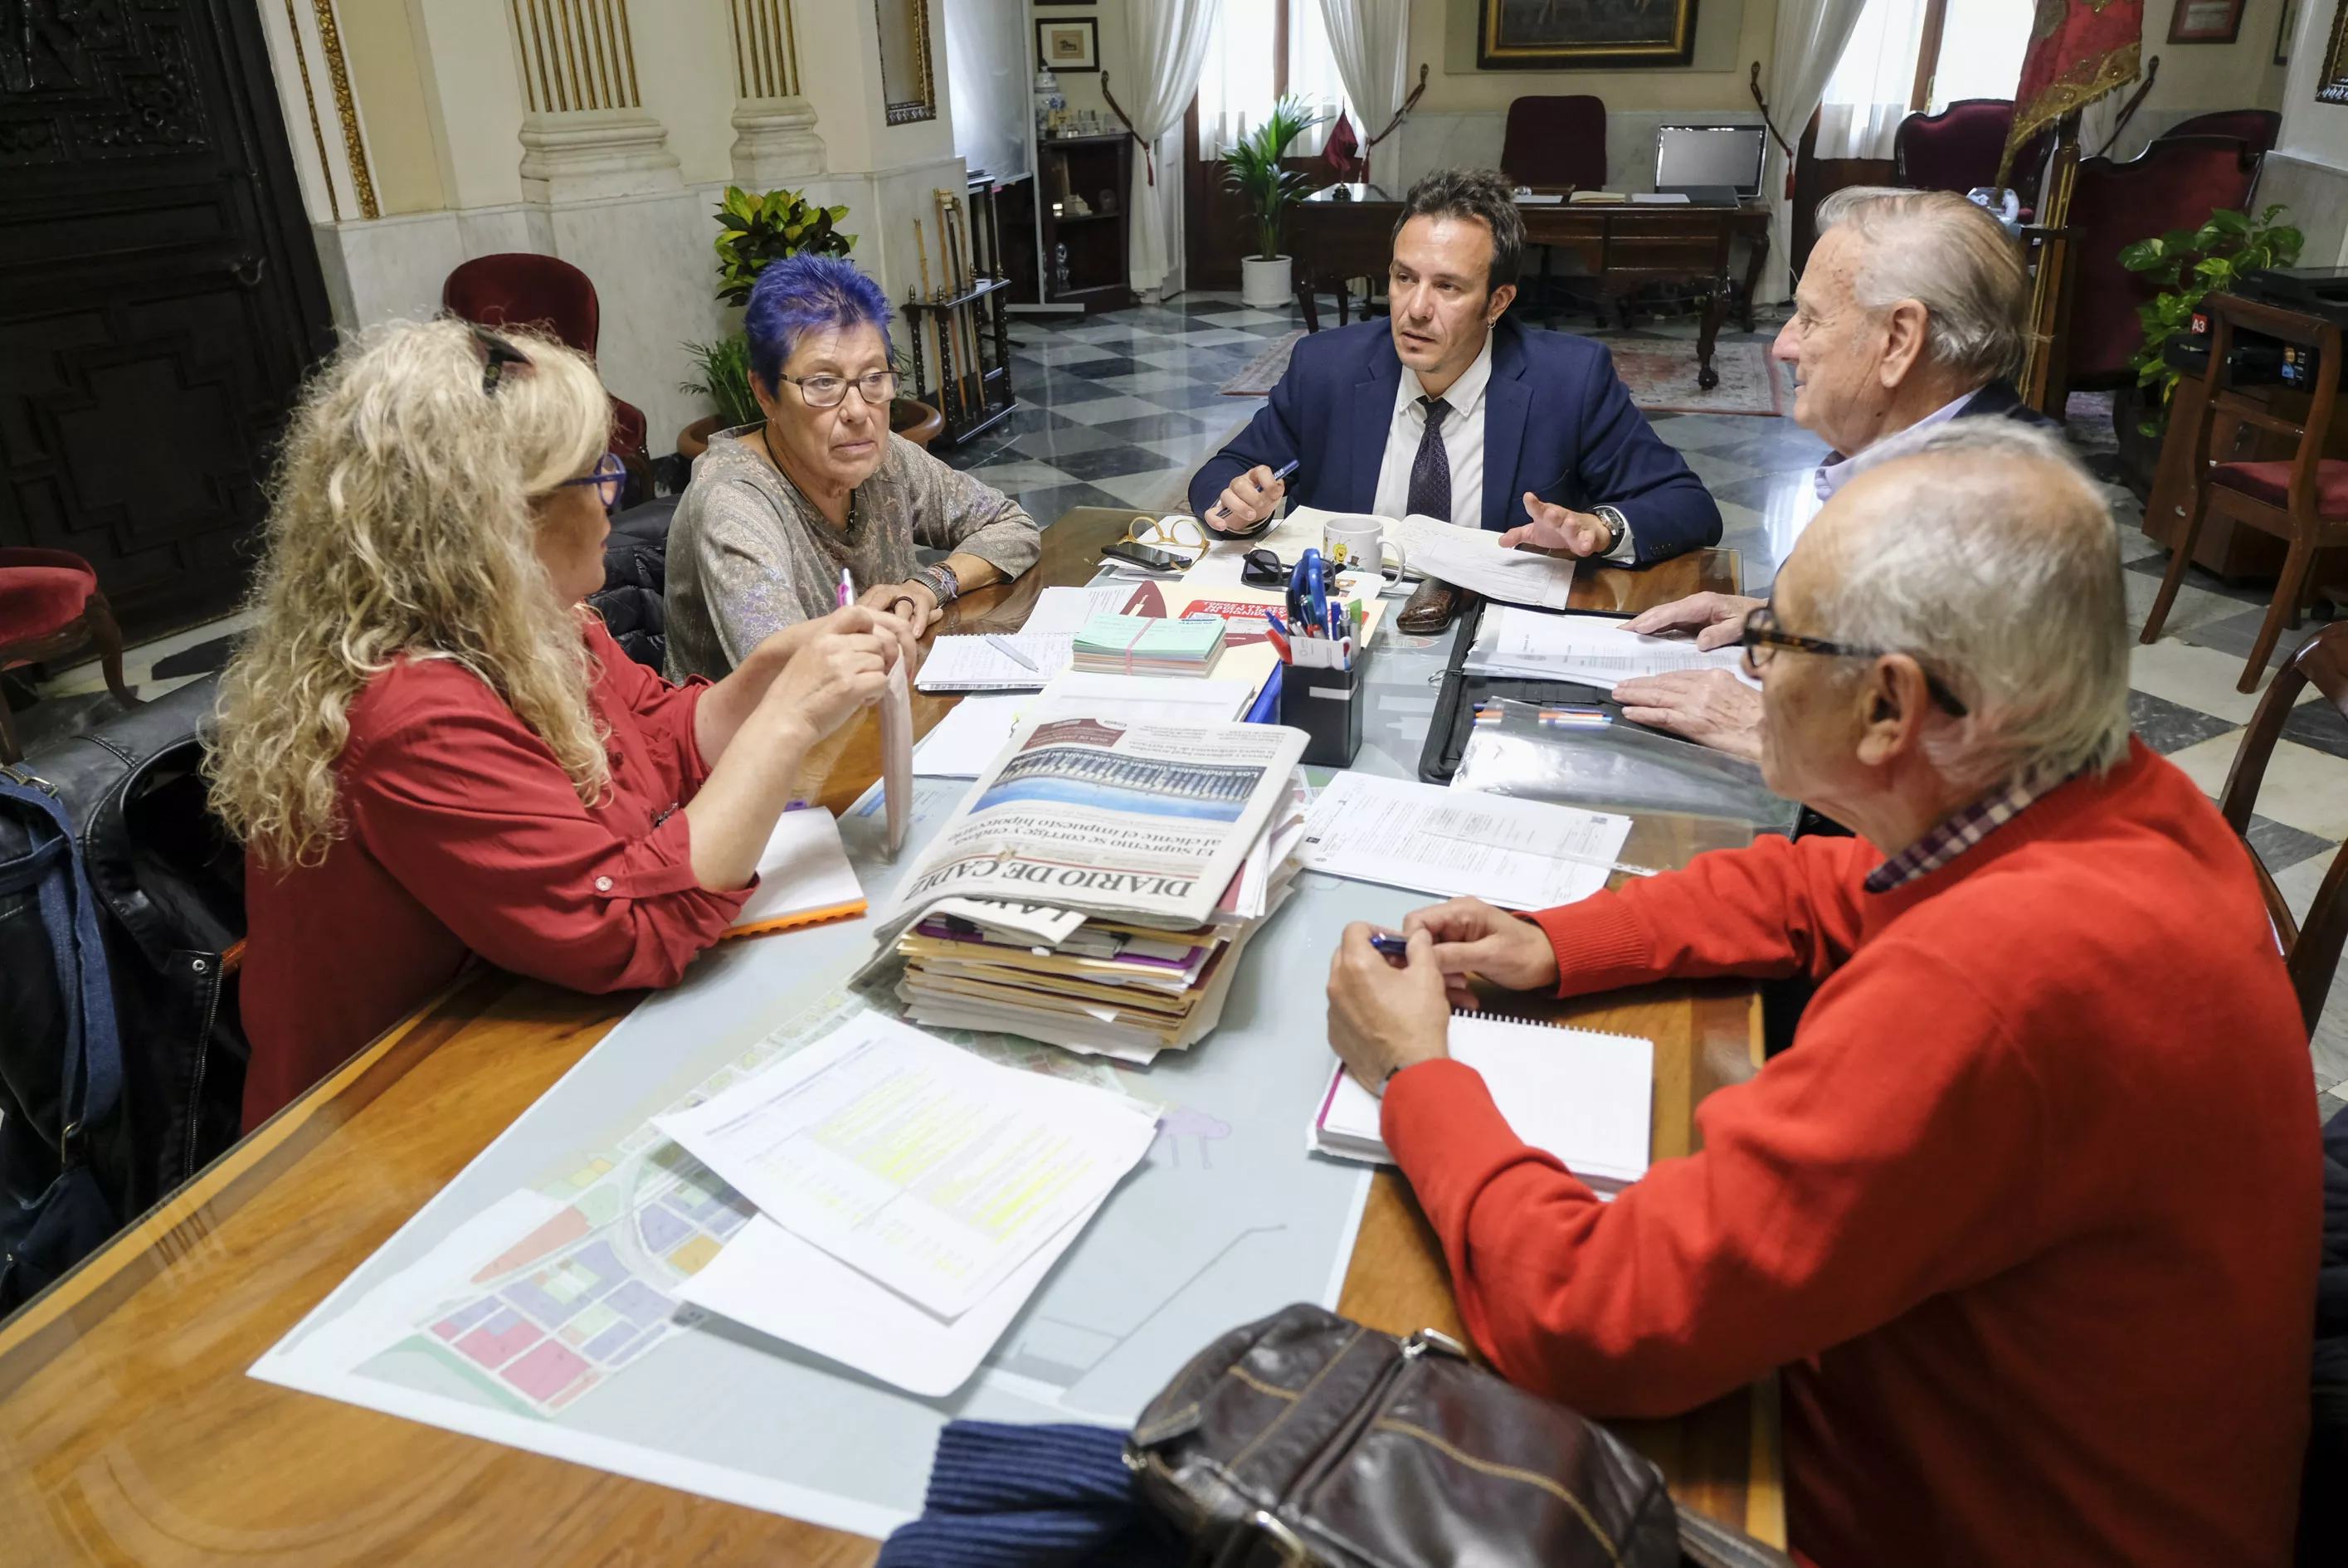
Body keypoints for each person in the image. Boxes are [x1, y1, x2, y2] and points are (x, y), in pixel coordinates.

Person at [1321, 421, 2318, 1568]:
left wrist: (1415, 1074)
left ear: (1890, 710)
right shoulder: (2108, 801)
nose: (1748, 660)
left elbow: (1598, 1316)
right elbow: (1820, 883)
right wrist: (1553, 941)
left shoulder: (1992, 981)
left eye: (1773, 637)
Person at [209, 319, 913, 1130]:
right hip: (389, 1125)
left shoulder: (535, 621)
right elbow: (631, 930)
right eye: (595, 473)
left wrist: (766, 679)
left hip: (529, 1032)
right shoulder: (412, 712)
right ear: (500, 521)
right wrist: (785, 723)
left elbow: (667, 741)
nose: (618, 491)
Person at [1614, 187, 2056, 761]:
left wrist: (1781, 733)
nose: (1783, 345)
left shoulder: (2004, 512)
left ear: (1898, 340)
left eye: (1812, 318)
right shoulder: (1933, 451)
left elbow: (1989, 768)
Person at [1186, 167, 1719, 625]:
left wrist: (1601, 528)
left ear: (1497, 302)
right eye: (1403, 278)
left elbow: (1688, 506)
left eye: (1448, 287)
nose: (1415, 309)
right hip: (1344, 623)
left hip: (1496, 630)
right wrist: (1244, 508)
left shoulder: (1569, 381)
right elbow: (1225, 473)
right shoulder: (1326, 367)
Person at [665, 253, 1040, 680]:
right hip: (761, 740)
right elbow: (788, 678)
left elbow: (1011, 525)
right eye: (823, 383)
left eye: (874, 377)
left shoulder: (884, 458)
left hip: (881, 706)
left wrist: (930, 584)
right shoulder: (733, 499)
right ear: (765, 394)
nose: (858, 410)